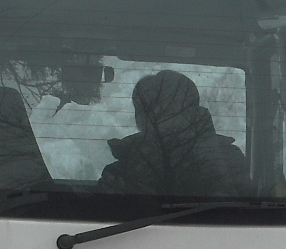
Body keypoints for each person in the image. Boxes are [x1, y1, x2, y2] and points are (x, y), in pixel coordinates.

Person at [98, 70, 252, 197]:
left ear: (141, 119)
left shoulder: (119, 173)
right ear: (194, 112)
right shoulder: (229, 161)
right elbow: (245, 214)